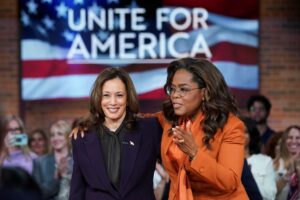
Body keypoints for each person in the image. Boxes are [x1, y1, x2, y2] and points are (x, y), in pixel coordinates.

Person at [69, 68, 162, 200]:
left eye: (119, 95)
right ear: (98, 98)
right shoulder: (82, 137)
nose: (113, 102)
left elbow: (176, 168)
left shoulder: (150, 129)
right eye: (106, 95)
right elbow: (77, 190)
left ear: (128, 98)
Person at [33, 119, 73, 200]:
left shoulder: (77, 160)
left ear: (67, 136)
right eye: (52, 135)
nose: (56, 138)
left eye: (60, 134)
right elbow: (37, 193)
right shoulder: (40, 162)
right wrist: (56, 177)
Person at [243, 117, 277, 200]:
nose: (240, 135)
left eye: (245, 132)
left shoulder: (264, 161)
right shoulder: (224, 159)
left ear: (251, 135)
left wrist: (249, 175)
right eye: (237, 131)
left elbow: (271, 195)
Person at [274, 125, 300, 199]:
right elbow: (270, 193)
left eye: (298, 138)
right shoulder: (274, 164)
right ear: (284, 141)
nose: (294, 141)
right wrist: (287, 175)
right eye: (290, 138)